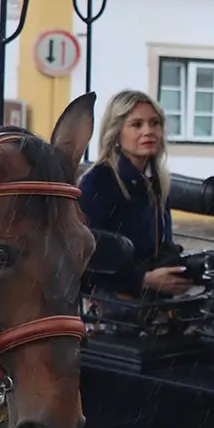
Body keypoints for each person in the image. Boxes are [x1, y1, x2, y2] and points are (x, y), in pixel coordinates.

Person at [78, 90, 193, 299]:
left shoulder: (158, 182)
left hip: (153, 306)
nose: (148, 131)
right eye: (136, 125)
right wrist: (143, 280)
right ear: (117, 133)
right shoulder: (97, 182)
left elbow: (159, 247)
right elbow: (83, 260)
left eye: (155, 123)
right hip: (111, 311)